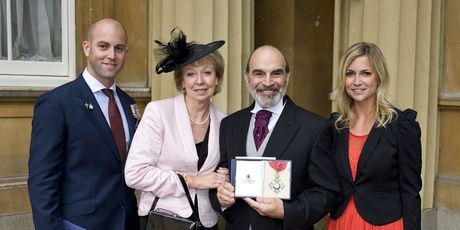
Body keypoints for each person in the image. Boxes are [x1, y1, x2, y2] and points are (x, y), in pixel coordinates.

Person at [209, 45, 340, 230]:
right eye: (259, 73)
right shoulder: (230, 125)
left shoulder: (315, 128)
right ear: (247, 77)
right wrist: (221, 197)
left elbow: (327, 193)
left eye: (276, 73)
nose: (268, 82)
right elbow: (220, 177)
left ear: (287, 76)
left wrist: (287, 211)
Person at [28, 18, 139, 230]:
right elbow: (42, 181)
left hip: (127, 222)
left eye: (119, 48)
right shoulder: (56, 103)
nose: (111, 55)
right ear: (87, 48)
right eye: (103, 46)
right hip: (79, 224)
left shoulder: (128, 104)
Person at [124, 29, 227, 230]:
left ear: (217, 79)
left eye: (207, 72)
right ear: (181, 82)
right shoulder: (159, 112)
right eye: (191, 74)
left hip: (205, 222)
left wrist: (224, 176)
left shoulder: (225, 122)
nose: (199, 81)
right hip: (163, 219)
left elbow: (217, 175)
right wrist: (193, 181)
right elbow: (134, 174)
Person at [326, 42, 422, 230]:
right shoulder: (336, 125)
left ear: (379, 76)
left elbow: (410, 191)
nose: (357, 81)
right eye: (350, 73)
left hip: (385, 224)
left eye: (365, 73)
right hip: (341, 222)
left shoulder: (402, 125)